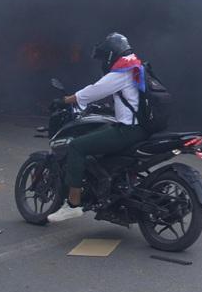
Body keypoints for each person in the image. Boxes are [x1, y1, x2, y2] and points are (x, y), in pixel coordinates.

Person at [47, 32, 149, 223]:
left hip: (128, 131)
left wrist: (65, 100)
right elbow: (132, 99)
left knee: (77, 146)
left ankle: (73, 205)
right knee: (100, 135)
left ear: (112, 53)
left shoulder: (123, 70)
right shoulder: (137, 67)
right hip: (142, 128)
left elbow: (95, 90)